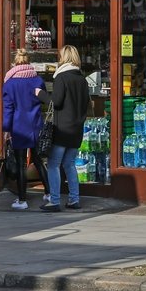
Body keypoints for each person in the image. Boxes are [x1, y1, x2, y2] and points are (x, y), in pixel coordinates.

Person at [37, 45, 91, 212]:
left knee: (53, 164)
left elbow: (57, 101)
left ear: (64, 58)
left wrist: (40, 94)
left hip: (62, 129)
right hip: (76, 130)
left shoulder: (61, 77)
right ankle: (74, 199)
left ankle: (54, 201)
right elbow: (86, 104)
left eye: (60, 56)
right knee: (70, 164)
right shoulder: (82, 79)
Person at [2, 48, 50, 210]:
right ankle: (48, 193)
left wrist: (6, 129)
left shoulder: (10, 83)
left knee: (21, 163)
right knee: (38, 160)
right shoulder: (37, 80)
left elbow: (8, 109)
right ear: (29, 62)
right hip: (35, 124)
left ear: (15, 63)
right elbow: (44, 100)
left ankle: (22, 200)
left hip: (18, 126)